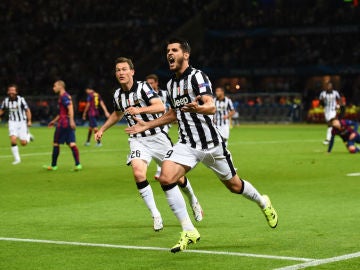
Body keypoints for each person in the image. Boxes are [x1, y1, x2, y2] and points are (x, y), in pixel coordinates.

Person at [125, 38, 278, 253]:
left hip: (211, 144)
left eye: (175, 50)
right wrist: (146, 125)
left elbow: (211, 106)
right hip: (186, 144)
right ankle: (189, 230)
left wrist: (199, 109)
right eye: (168, 50)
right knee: (166, 177)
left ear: (185, 55)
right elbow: (172, 114)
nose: (170, 53)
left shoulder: (197, 76)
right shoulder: (170, 84)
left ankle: (263, 202)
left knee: (235, 186)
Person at [94, 57, 203, 232]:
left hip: (158, 137)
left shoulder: (143, 87)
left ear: (132, 72)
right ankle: (156, 215)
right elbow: (117, 114)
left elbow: (160, 107)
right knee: (138, 173)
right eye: (118, 70)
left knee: (177, 177)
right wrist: (102, 129)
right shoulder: (117, 94)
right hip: (137, 140)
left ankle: (193, 200)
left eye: (124, 69)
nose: (121, 73)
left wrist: (140, 109)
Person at [44, 80, 82, 171]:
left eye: (55, 86)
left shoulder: (64, 96)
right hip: (66, 122)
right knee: (71, 143)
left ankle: (53, 166)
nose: (54, 88)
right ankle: (78, 165)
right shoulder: (64, 96)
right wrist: (53, 121)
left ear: (60, 86)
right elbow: (62, 112)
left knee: (56, 143)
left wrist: (72, 120)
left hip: (63, 123)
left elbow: (70, 108)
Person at [146, 73, 171, 180]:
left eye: (151, 83)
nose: (150, 85)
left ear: (156, 83)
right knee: (155, 146)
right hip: (151, 123)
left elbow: (172, 105)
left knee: (160, 144)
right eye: (148, 84)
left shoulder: (165, 94)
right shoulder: (145, 95)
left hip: (164, 123)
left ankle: (161, 170)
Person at [0, 84, 33, 165]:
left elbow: (27, 110)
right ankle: (17, 159)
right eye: (10, 90)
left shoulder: (21, 100)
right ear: (8, 91)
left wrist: (29, 120)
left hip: (22, 122)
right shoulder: (6, 101)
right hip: (12, 122)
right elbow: (2, 110)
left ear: (16, 92)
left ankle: (28, 136)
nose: (11, 91)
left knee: (23, 143)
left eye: (13, 90)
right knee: (13, 139)